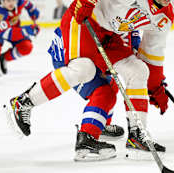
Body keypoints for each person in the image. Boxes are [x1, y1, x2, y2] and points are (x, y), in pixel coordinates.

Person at [3, 0, 174, 161]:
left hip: (111, 35)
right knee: (83, 69)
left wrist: (155, 86)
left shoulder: (164, 17)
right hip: (85, 20)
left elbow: (152, 54)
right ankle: (24, 102)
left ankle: (136, 136)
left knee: (138, 70)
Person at [47, 27, 142, 160]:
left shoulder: (134, 15)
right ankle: (86, 139)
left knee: (111, 85)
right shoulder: (114, 9)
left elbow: (133, 38)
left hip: (91, 47)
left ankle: (100, 126)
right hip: (70, 51)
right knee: (103, 92)